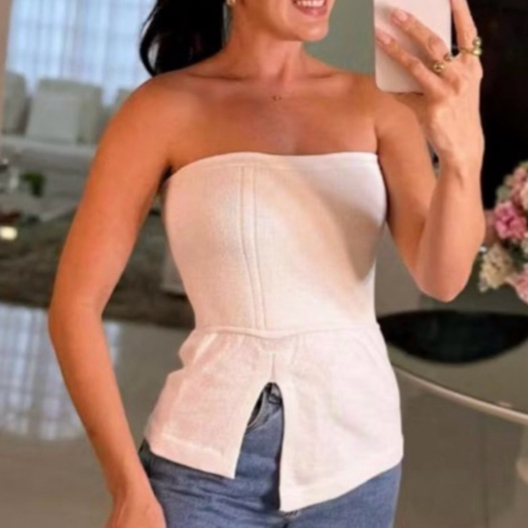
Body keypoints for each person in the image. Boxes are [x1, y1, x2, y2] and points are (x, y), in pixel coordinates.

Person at [47, 0, 486, 526]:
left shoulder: (379, 106)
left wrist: (464, 154)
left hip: (359, 463)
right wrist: (126, 488)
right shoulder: (161, 109)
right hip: (205, 473)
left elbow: (442, 279)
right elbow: (74, 307)